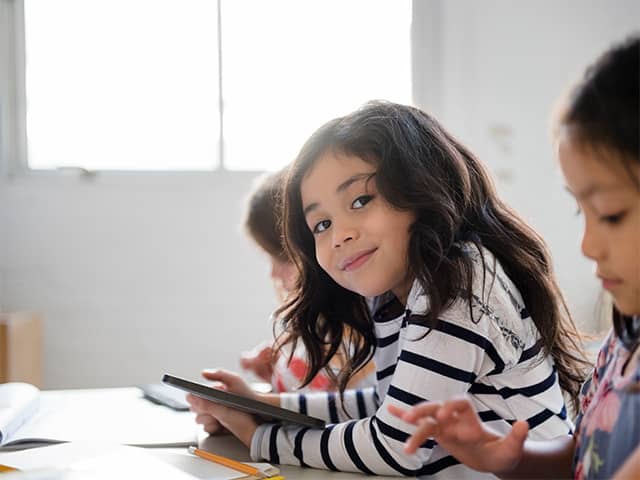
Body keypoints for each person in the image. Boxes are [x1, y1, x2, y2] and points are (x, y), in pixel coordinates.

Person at [187, 100, 589, 478]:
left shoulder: (457, 278)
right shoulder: (394, 295)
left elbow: (396, 445)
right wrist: (261, 407)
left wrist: (259, 437)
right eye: (321, 225)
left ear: (423, 188)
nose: (340, 234)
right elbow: (388, 406)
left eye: (360, 200)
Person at [389, 36, 640, 479]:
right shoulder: (624, 342)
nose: (587, 245)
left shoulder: (463, 275)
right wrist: (506, 458)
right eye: (581, 212)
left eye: (611, 215)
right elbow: (582, 456)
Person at [224, 168, 376, 394]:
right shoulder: (316, 328)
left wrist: (255, 410)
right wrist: (276, 373)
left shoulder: (362, 346)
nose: (273, 274)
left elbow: (329, 412)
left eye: (281, 258)